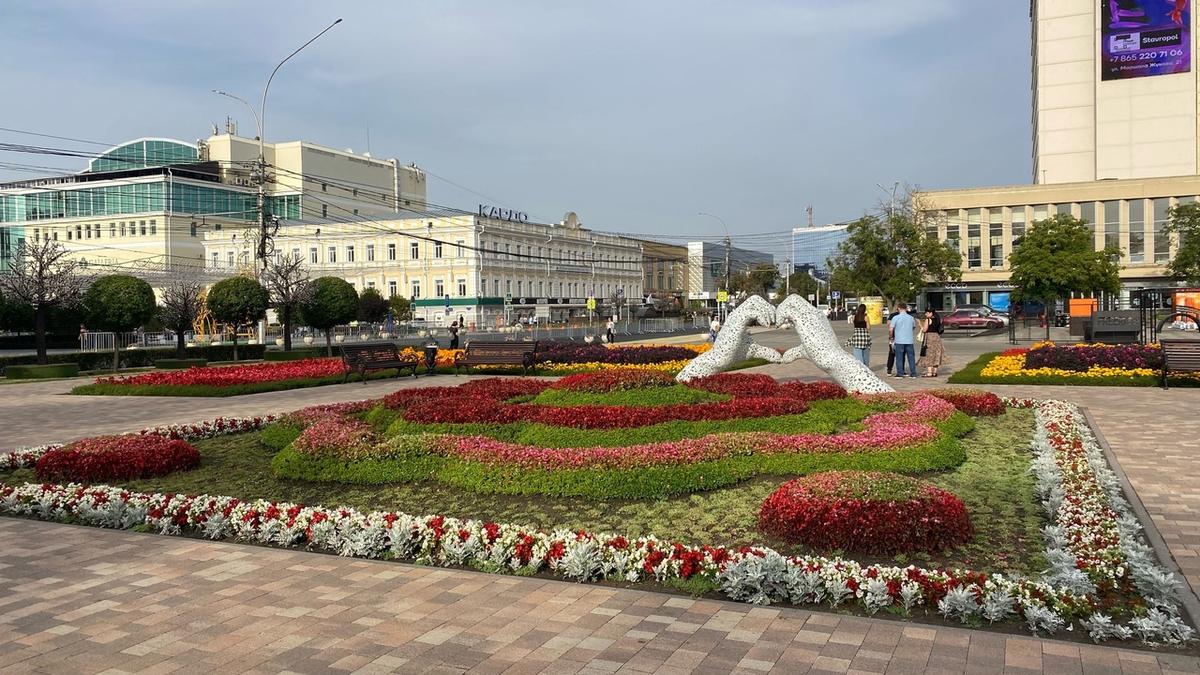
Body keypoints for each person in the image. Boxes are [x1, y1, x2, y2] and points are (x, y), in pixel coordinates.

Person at [888, 302, 918, 378]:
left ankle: (900, 373)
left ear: (898, 308)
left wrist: (891, 337)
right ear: (906, 308)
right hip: (909, 340)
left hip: (899, 340)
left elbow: (891, 329)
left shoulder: (895, 318)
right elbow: (914, 327)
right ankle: (913, 373)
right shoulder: (911, 318)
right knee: (911, 357)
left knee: (899, 357)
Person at [917, 308, 946, 377]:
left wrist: (920, 324)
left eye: (927, 313)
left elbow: (924, 330)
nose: (925, 314)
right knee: (936, 354)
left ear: (931, 313)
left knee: (929, 354)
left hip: (929, 337)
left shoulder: (928, 320)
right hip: (937, 337)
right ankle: (934, 372)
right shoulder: (938, 319)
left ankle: (929, 372)